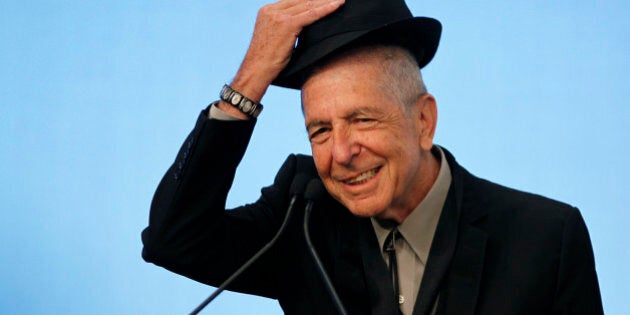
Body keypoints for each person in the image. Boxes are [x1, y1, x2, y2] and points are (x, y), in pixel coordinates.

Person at [141, 0, 604, 314]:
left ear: (424, 121)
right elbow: (173, 240)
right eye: (320, 130)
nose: (341, 153)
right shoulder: (300, 216)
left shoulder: (547, 237)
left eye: (363, 120)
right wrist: (249, 81)